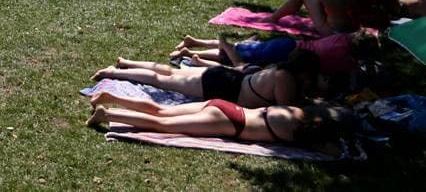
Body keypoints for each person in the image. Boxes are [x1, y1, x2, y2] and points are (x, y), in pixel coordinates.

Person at [86, 94, 349, 150]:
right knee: (162, 125)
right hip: (230, 121)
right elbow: (331, 151)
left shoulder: (295, 110)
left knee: (161, 110)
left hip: (225, 106)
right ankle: (108, 114)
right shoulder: (298, 134)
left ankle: (112, 97)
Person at [92, 50, 320, 107]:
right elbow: (286, 108)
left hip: (227, 79)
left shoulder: (277, 68)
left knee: (170, 73)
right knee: (162, 80)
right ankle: (115, 72)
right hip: (222, 86)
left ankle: (128, 63)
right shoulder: (285, 78)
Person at [172, 30, 378, 75]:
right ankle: (192, 52)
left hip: (288, 44)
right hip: (285, 53)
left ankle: (193, 45)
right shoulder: (343, 57)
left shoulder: (341, 38)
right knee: (238, 57)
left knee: (244, 48)